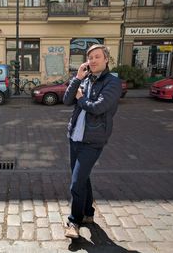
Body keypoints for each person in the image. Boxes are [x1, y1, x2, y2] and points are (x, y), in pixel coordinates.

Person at [63, 44, 122, 239]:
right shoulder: (86, 79)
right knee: (83, 177)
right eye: (90, 57)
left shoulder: (112, 83)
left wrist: (80, 99)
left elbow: (98, 107)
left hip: (93, 141)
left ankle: (74, 221)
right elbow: (66, 100)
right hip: (75, 138)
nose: (93, 60)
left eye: (97, 56)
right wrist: (77, 78)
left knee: (76, 183)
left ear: (106, 60)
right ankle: (88, 213)